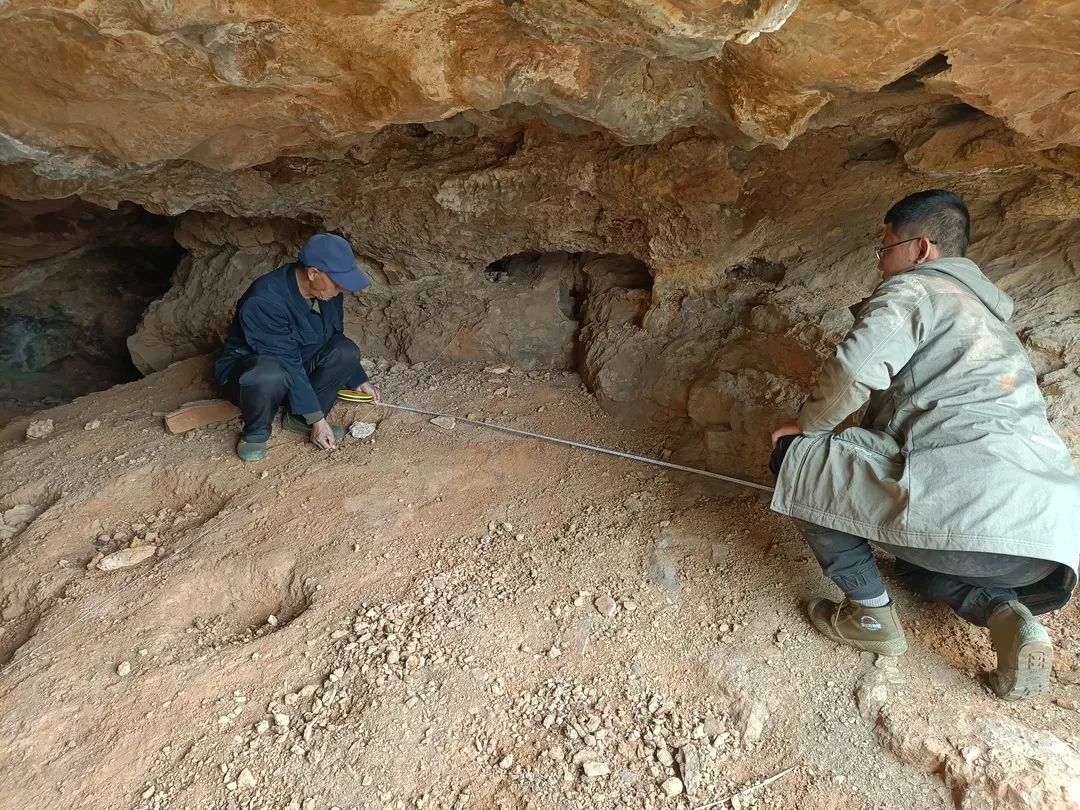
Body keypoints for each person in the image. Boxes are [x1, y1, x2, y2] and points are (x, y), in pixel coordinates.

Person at [769, 189, 1080, 701]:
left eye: (885, 249)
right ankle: (1008, 616)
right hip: (1044, 542)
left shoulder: (917, 291)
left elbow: (853, 371)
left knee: (797, 459)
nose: (881, 264)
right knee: (919, 561)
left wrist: (808, 428)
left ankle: (870, 616)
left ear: (920, 249)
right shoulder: (991, 324)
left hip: (970, 509)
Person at [214, 233, 380, 462]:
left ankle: (299, 420)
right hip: (252, 375)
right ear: (313, 273)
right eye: (337, 282)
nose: (342, 289)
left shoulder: (327, 293)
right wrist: (320, 421)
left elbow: (332, 337)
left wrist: (358, 378)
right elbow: (286, 360)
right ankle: (255, 433)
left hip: (292, 365)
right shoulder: (265, 300)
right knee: (269, 373)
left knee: (345, 349)